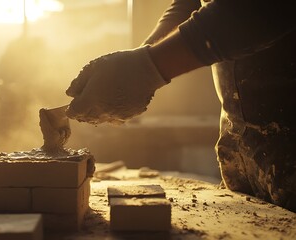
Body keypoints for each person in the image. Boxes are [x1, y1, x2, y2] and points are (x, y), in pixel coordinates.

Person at [65, 0, 296, 212]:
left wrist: (149, 68)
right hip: (240, 141)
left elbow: (261, 8)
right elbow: (190, 3)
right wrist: (140, 59)